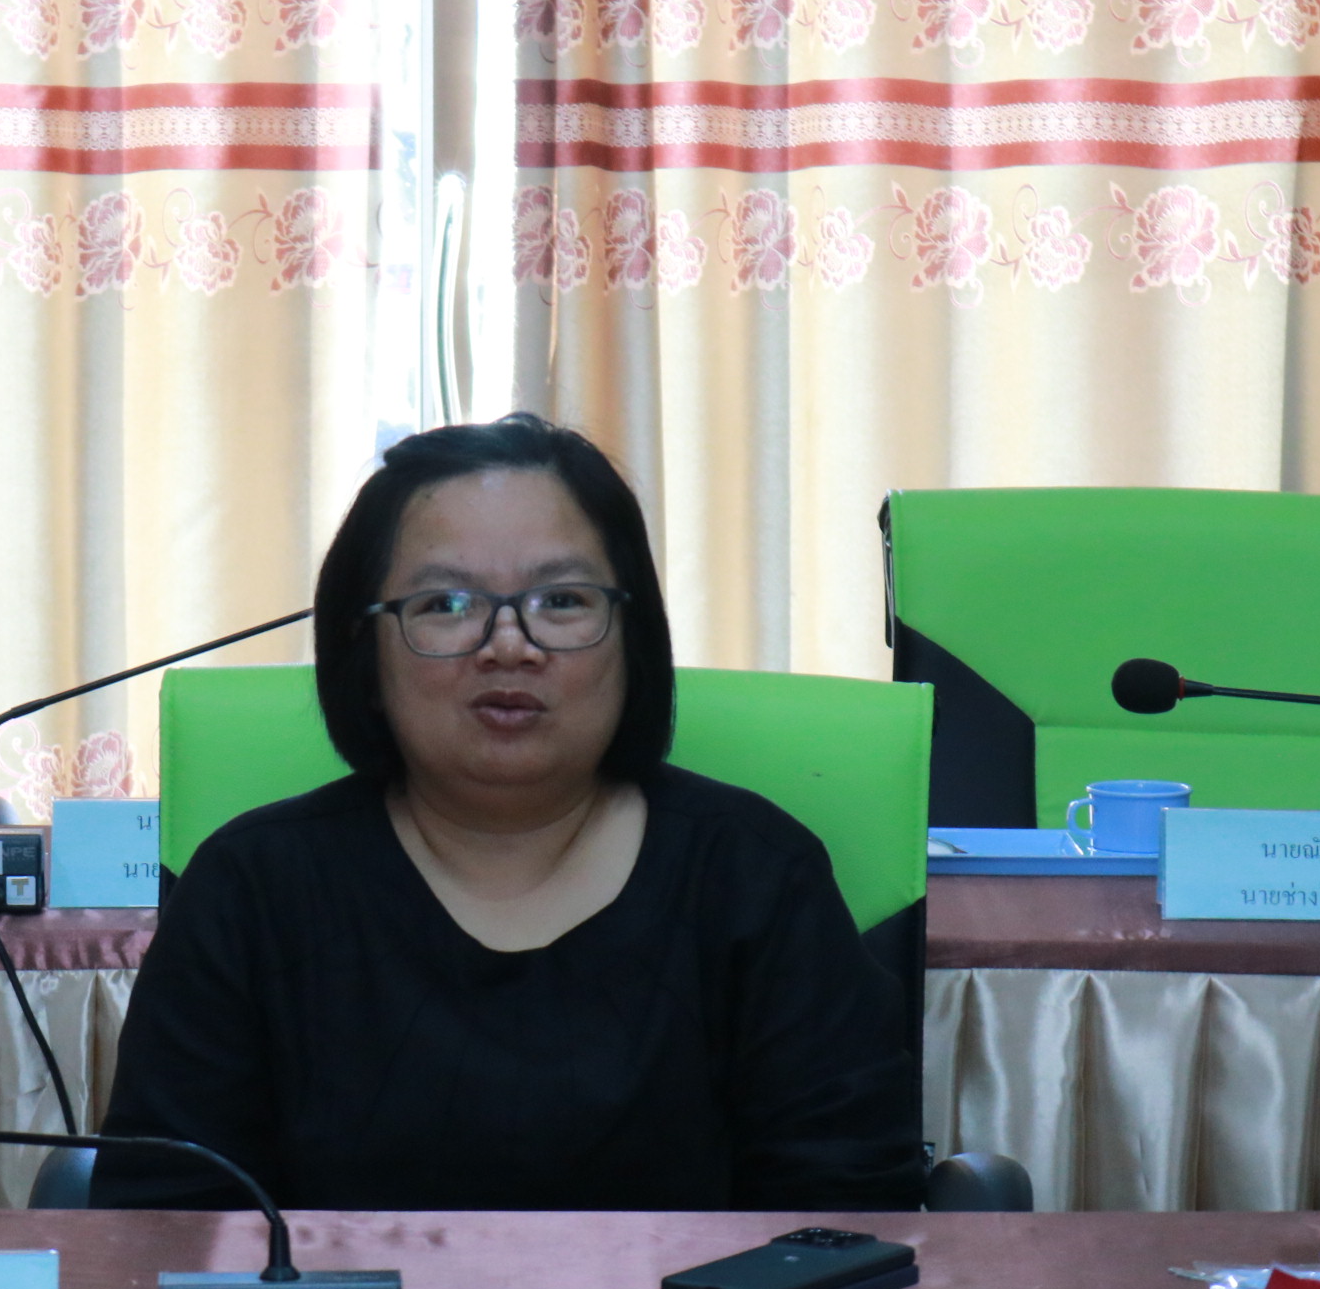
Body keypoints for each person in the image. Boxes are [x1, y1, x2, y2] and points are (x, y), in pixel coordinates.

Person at [93, 413, 924, 1212]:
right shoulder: (253, 890)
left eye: (561, 600)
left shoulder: (755, 876)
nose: (509, 646)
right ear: (362, 650)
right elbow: (167, 1217)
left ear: (632, 636)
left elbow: (847, 1215)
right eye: (447, 605)